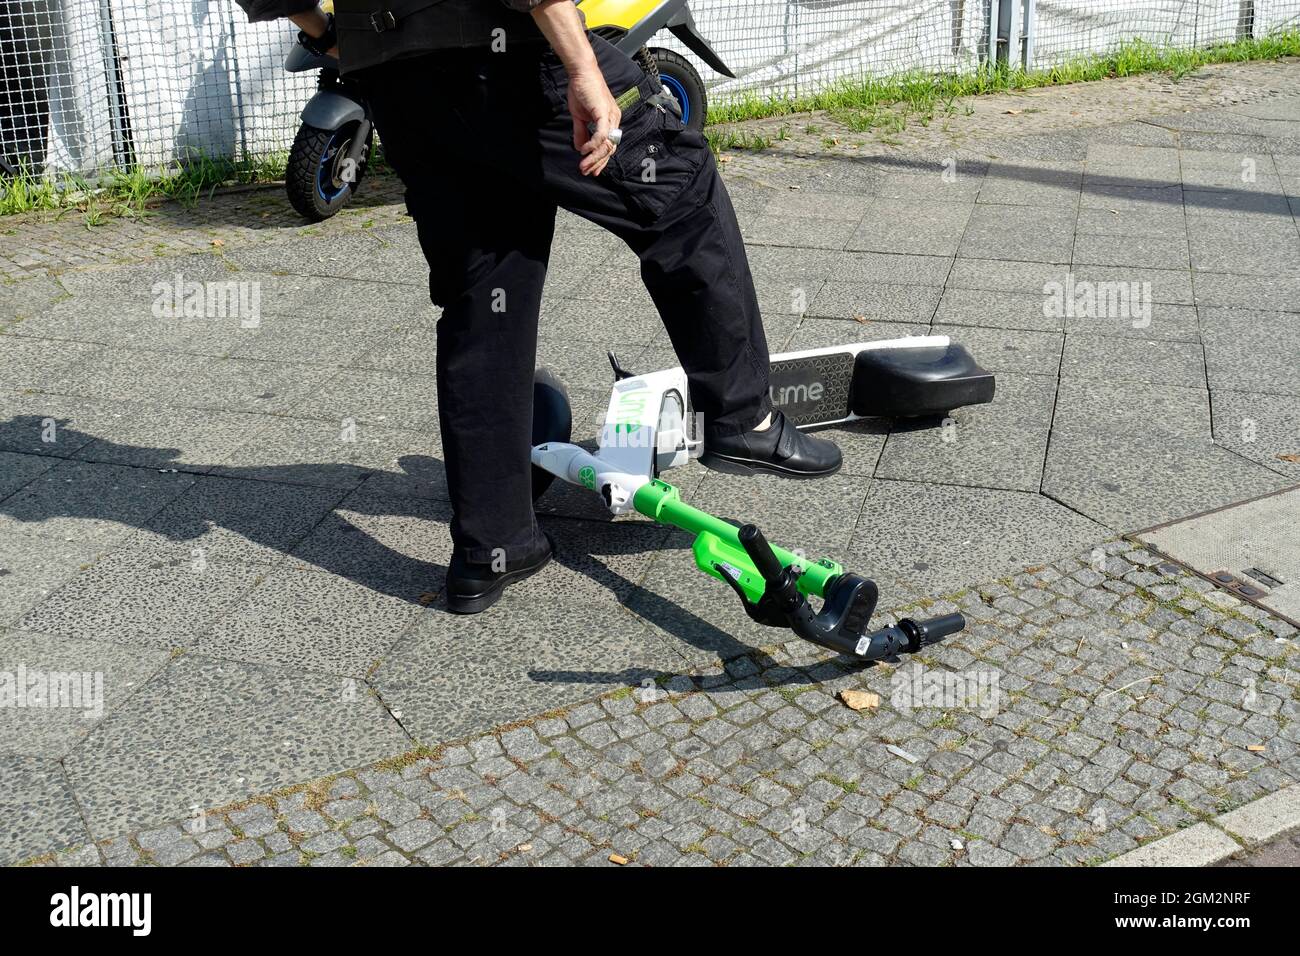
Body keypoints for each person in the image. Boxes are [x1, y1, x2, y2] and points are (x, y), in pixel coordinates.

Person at [235, 0, 841, 612]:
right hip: (515, 54)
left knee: (483, 293)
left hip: (399, 82)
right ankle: (743, 418)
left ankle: (492, 545)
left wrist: (326, 30)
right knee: (682, 198)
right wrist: (582, 67)